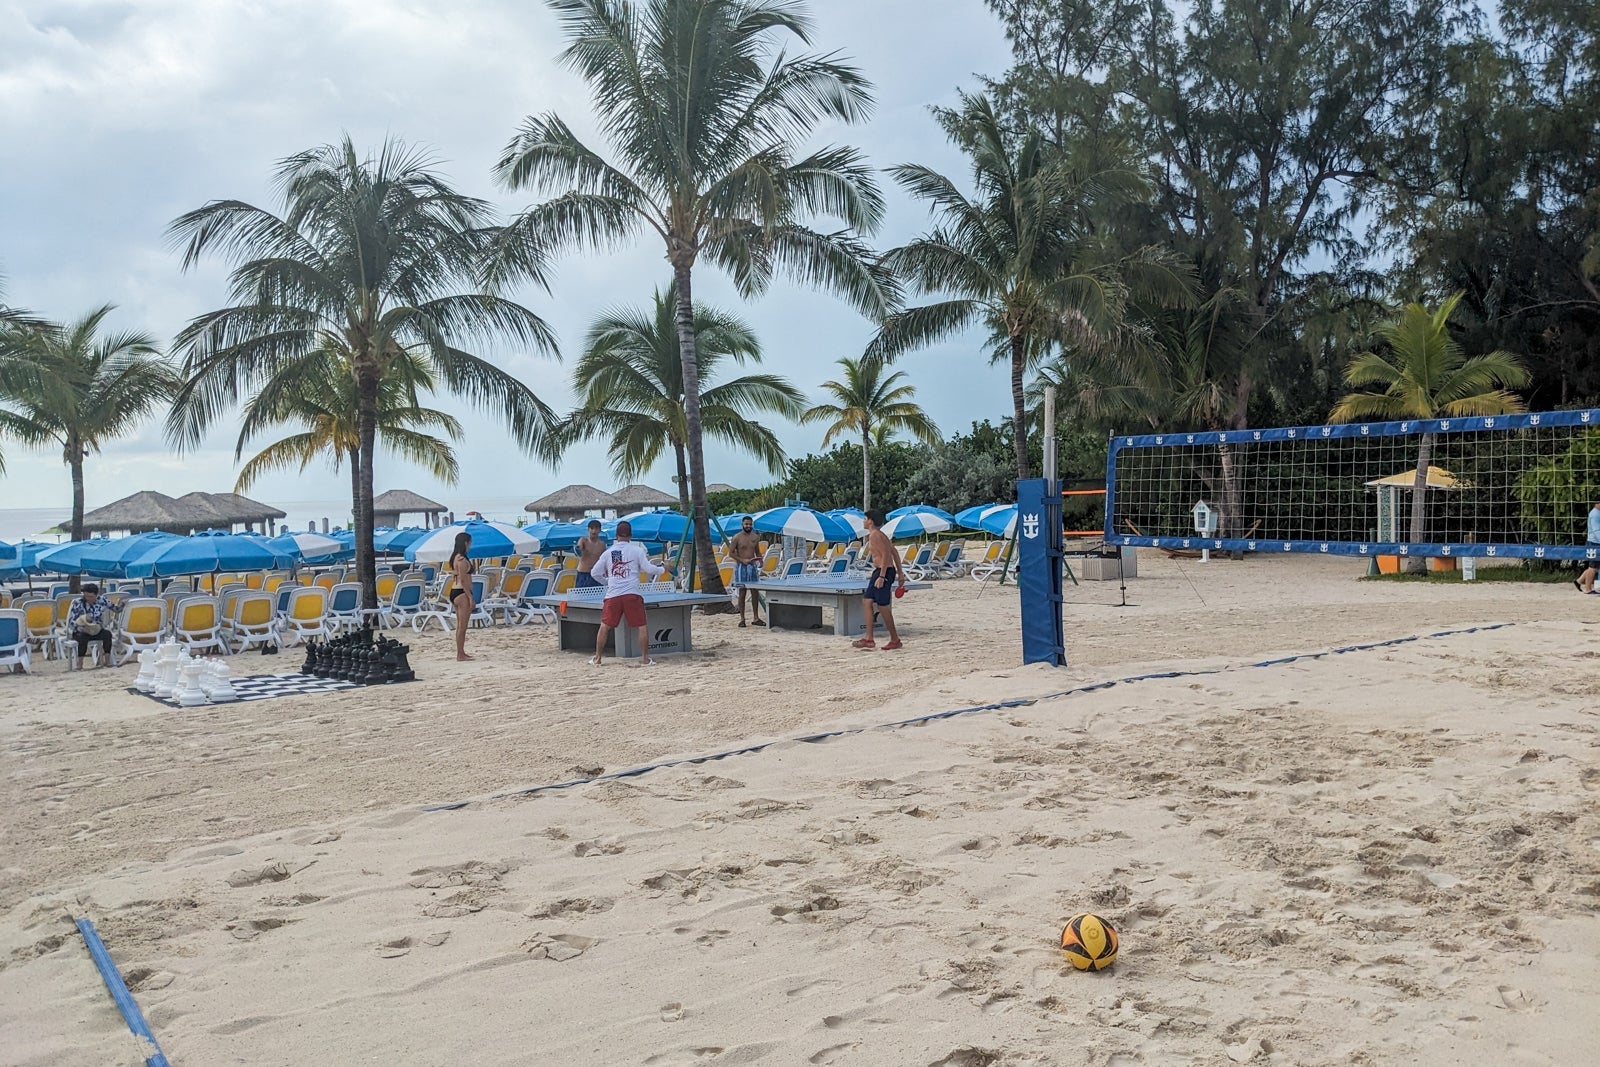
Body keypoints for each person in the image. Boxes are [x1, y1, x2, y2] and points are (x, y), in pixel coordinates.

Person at [592, 520, 668, 667]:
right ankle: (645, 659)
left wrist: (607, 582)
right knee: (641, 626)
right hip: (632, 594)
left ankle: (598, 658)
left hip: (613, 595)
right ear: (631, 535)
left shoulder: (608, 553)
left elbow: (595, 573)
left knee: (604, 626)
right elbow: (649, 569)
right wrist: (663, 569)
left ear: (616, 536)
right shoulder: (637, 551)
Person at [854, 509, 907, 651]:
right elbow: (894, 552)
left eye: (865, 518)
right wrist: (900, 573)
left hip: (884, 572)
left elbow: (885, 555)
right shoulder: (880, 534)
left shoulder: (875, 535)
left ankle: (895, 640)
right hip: (880, 571)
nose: (864, 521)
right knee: (867, 601)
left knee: (882, 605)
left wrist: (882, 576)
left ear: (870, 521)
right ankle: (869, 638)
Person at [67, 583, 120, 670]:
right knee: (82, 638)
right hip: (81, 630)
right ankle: (80, 664)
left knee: (107, 634)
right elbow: (71, 620)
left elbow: (116, 609)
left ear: (96, 595)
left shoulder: (102, 600)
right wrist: (80, 628)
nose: (88, 598)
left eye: (91, 596)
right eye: (86, 596)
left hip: (96, 629)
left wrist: (122, 604)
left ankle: (107, 661)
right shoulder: (77, 602)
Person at [728, 515, 765, 627]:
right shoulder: (737, 537)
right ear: (742, 524)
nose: (748, 526)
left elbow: (757, 551)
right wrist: (742, 560)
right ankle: (742, 618)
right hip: (741, 566)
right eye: (746, 524)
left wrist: (760, 559)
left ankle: (756, 617)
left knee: (755, 591)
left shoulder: (755, 537)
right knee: (742, 592)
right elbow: (731, 553)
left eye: (750, 524)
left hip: (752, 566)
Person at [447, 531, 475, 661]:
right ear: (465, 543)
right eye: (469, 542)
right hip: (462, 592)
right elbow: (463, 580)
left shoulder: (455, 558)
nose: (470, 545)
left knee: (460, 625)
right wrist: (470, 597)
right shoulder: (462, 560)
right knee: (462, 626)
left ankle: (461, 652)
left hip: (455, 591)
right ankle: (460, 654)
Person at [575, 519, 607, 589]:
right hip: (583, 573)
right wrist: (578, 548)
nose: (594, 531)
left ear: (600, 530)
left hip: (596, 574)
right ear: (588, 529)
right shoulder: (583, 541)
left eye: (596, 528)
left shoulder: (602, 544)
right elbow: (578, 549)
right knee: (580, 595)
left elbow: (604, 560)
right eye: (592, 528)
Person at [1577, 500, 1600, 594]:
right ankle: (1588, 589)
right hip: (1594, 543)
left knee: (1596, 566)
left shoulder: (1596, 513)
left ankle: (1578, 581)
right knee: (1593, 567)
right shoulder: (1595, 514)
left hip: (1595, 542)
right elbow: (1596, 531)